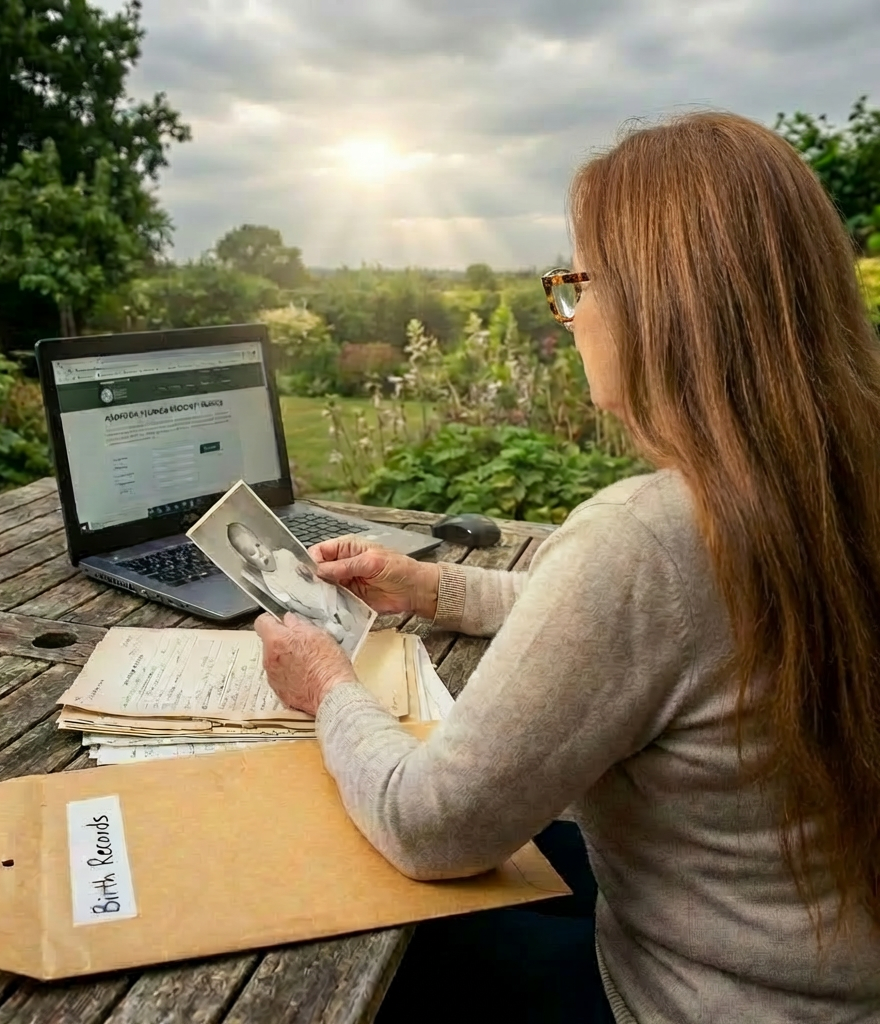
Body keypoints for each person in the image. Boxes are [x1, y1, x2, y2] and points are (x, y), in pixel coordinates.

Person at [254, 111, 880, 1024]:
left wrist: (327, 689)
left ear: (663, 303)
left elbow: (432, 826)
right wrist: (432, 586)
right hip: (833, 977)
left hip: (694, 998)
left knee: (358, 949)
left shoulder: (648, 536)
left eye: (579, 281)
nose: (570, 313)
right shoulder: (830, 480)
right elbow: (675, 629)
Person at [226, 521, 356, 643]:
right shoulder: (270, 581)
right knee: (312, 622)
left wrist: (306, 572)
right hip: (306, 603)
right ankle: (331, 625)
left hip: (313, 588)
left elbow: (308, 574)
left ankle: (341, 611)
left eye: (258, 545)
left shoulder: (284, 554)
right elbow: (292, 604)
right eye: (252, 553)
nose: (260, 553)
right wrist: (310, 612)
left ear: (262, 542)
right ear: (248, 561)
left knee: (333, 592)